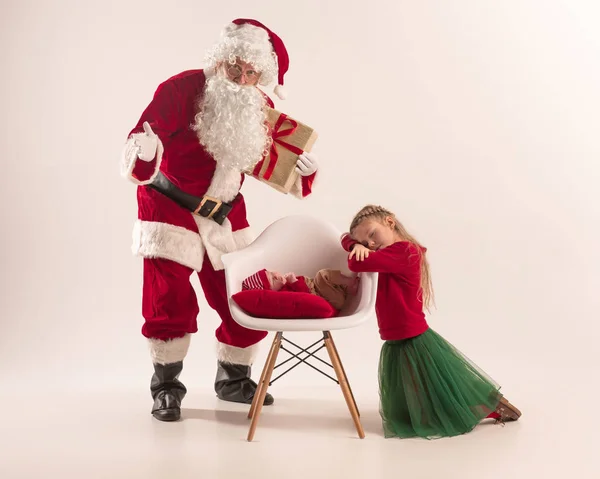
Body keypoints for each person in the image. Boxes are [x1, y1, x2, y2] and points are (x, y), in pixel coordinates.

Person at [120, 18, 320, 422]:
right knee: (167, 301)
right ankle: (167, 388)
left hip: (226, 215)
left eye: (251, 72)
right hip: (169, 209)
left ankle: (233, 379)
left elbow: (265, 159)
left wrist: (302, 173)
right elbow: (142, 139)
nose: (241, 77)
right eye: (235, 67)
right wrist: (143, 150)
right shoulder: (179, 89)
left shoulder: (256, 105)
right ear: (221, 59)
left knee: (246, 293)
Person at [340, 205, 522, 439]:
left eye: (372, 235)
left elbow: (356, 264)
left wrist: (356, 247)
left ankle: (491, 405)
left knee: (439, 385)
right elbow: (343, 238)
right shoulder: (386, 253)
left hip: (410, 333)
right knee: (421, 390)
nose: (370, 245)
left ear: (390, 222)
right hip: (395, 334)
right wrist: (354, 243)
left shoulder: (405, 251)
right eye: (366, 242)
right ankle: (440, 411)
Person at [241, 268, 360, 310]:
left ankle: (347, 287)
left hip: (325, 291)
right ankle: (349, 282)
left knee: (327, 279)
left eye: (272, 273)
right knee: (322, 274)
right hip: (318, 294)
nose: (276, 275)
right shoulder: (283, 295)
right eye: (272, 280)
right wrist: (294, 282)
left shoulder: (284, 284)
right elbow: (303, 297)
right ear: (271, 292)